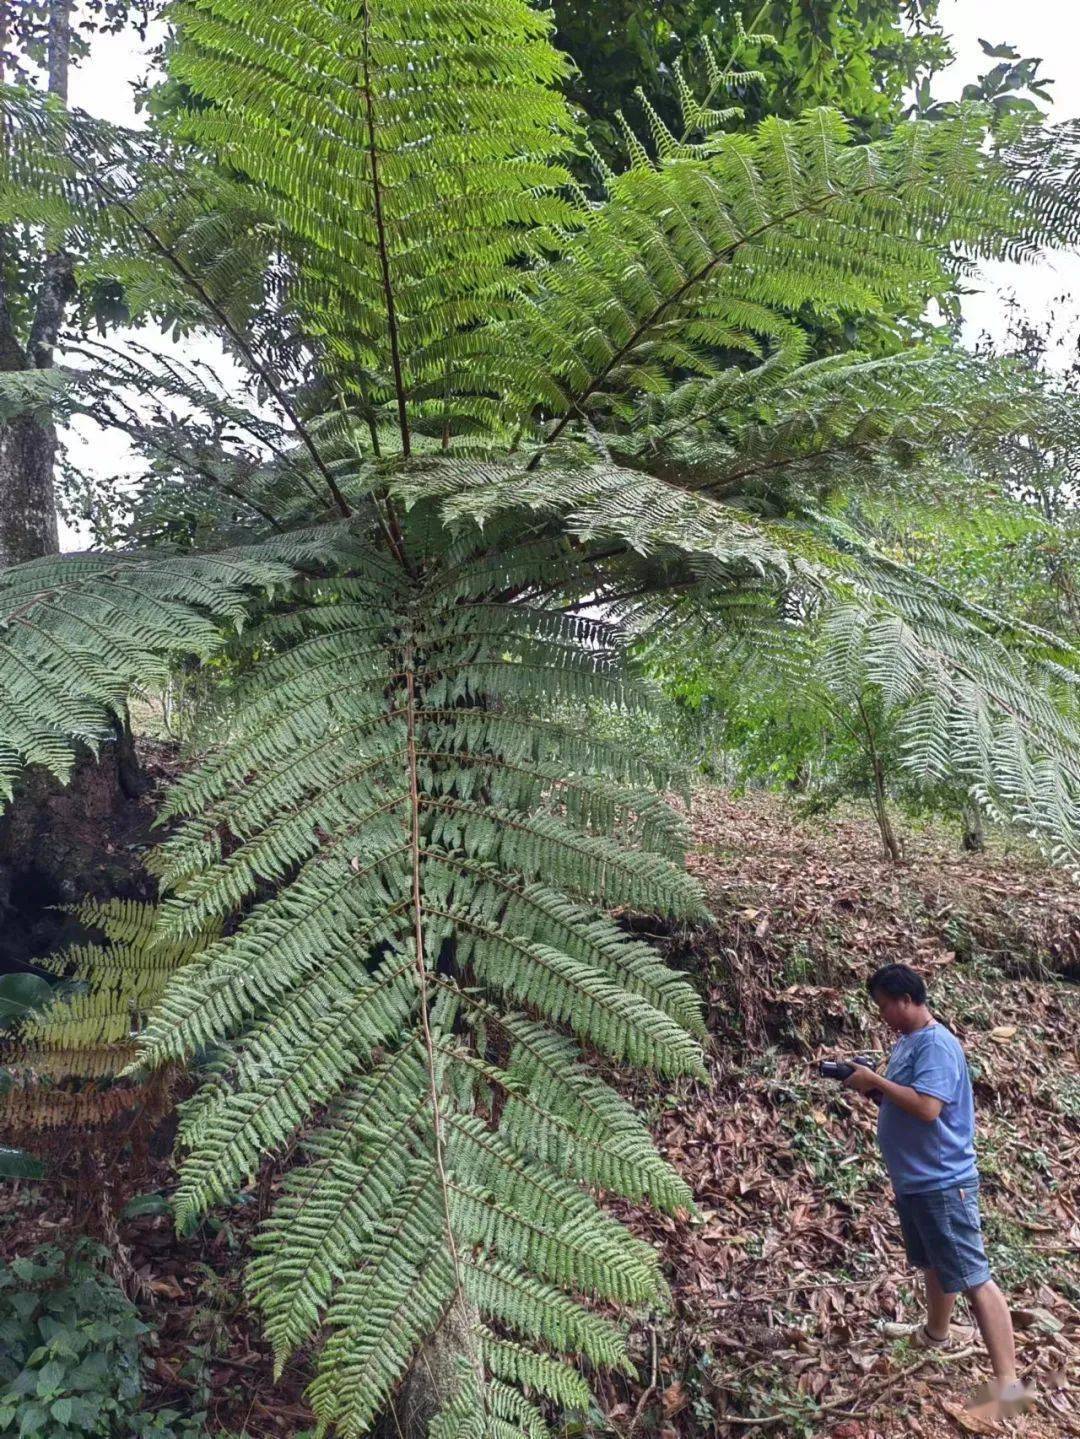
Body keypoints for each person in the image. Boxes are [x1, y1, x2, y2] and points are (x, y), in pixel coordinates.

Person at [844, 963, 1030, 1417]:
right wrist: (874, 1089)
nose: (882, 1014)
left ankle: (1009, 1385)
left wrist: (876, 1081)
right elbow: (908, 1097)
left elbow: (928, 1107)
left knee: (973, 1276)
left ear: (906, 1000)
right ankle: (936, 1334)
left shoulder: (937, 1045)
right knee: (933, 1262)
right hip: (916, 1179)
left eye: (884, 1005)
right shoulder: (908, 1042)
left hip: (943, 1181)